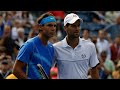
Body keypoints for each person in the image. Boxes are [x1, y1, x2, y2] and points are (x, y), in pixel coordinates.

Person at [53, 13, 100, 79]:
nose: (77, 28)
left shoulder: (90, 46)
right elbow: (47, 68)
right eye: (73, 26)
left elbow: (94, 72)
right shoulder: (55, 48)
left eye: (78, 25)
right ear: (65, 27)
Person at [12, 12, 57, 79]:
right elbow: (16, 70)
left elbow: (47, 72)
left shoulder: (51, 48)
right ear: (40, 27)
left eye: (54, 26)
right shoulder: (30, 45)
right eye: (49, 25)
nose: (53, 28)